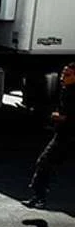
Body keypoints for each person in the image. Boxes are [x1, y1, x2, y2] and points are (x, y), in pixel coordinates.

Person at [23, 63, 75, 209]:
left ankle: (39, 197)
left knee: (44, 163)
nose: (63, 77)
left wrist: (55, 115)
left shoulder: (72, 93)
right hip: (63, 134)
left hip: (66, 135)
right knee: (45, 163)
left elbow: (65, 116)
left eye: (68, 75)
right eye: (63, 74)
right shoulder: (66, 89)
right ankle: (38, 196)